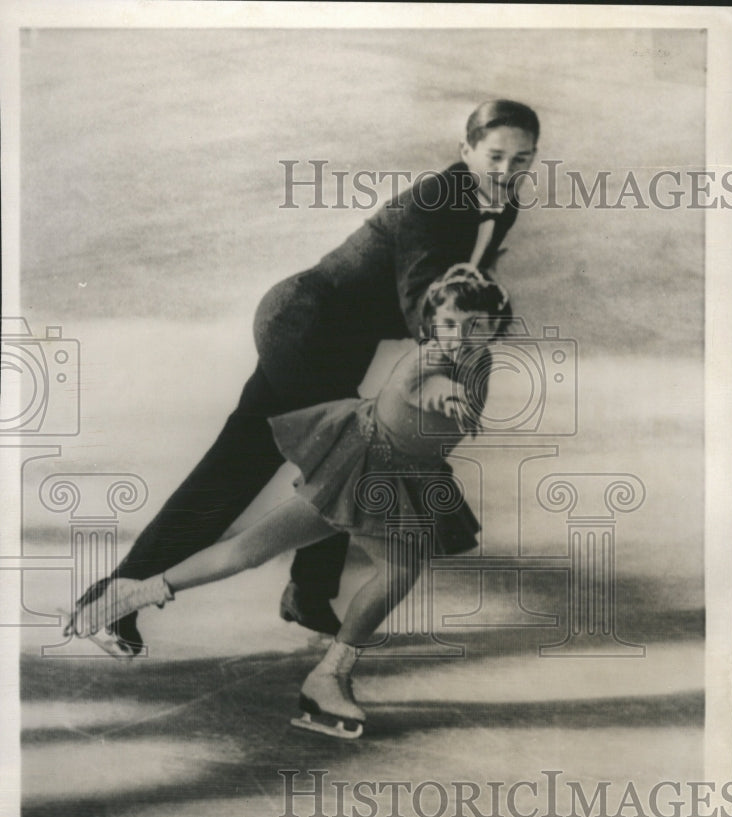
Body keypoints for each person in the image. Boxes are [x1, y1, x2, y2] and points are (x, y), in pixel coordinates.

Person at [71, 98, 539, 657]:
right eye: (495, 156)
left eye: (523, 159)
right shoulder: (434, 204)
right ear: (466, 151)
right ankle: (119, 599)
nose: (507, 171)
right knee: (316, 462)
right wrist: (442, 370)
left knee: (324, 460)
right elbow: (425, 301)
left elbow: (466, 287)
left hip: (337, 338)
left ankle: (304, 594)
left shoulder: (502, 204)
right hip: (305, 324)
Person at [67, 266, 512, 738]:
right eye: (447, 326)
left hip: (398, 480)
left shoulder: (476, 364)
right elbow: (420, 385)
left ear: (495, 327)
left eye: (474, 327)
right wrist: (447, 394)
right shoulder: (426, 364)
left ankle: (134, 594)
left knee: (256, 551)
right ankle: (326, 676)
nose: (459, 337)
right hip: (360, 473)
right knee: (266, 553)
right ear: (429, 327)